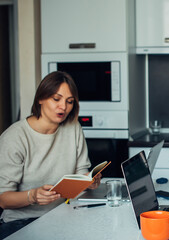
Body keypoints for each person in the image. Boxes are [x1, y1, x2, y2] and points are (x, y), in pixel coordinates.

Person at [0, 71, 101, 238]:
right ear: (40, 98)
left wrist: (89, 181)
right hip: (20, 222)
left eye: (69, 102)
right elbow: (3, 198)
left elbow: (80, 173)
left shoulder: (73, 127)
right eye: (56, 99)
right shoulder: (15, 137)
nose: (63, 107)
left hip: (62, 215)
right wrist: (32, 196)